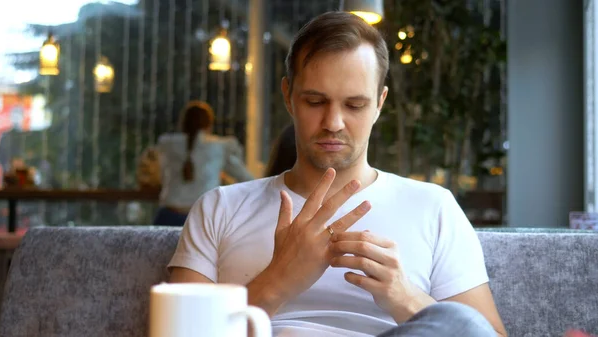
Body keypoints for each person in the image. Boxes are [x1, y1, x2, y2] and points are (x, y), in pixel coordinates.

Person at [168, 11, 507, 337]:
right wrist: (277, 281)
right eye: (315, 101)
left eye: (354, 105)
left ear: (379, 103)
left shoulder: (434, 207)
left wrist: (404, 296)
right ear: (288, 96)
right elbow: (177, 333)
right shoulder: (220, 207)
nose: (333, 123)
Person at [137, 100, 253, 227]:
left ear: (183, 123)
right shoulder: (219, 147)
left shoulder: (167, 144)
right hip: (204, 221)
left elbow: (149, 173)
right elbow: (247, 179)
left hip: (167, 218)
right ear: (209, 124)